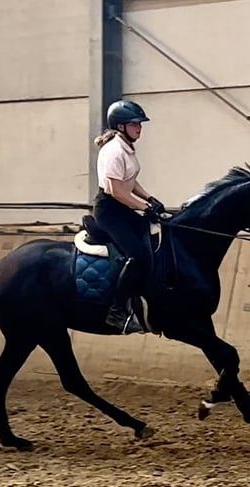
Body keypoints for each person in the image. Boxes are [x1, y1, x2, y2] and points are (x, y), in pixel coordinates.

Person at [93, 100, 167, 334]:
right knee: (136, 253)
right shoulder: (113, 151)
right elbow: (116, 191)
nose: (139, 128)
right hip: (110, 211)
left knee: (153, 237)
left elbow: (130, 181)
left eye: (140, 124)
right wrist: (145, 208)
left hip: (122, 207)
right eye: (135, 124)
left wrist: (150, 199)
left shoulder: (126, 149)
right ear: (121, 126)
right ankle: (116, 310)